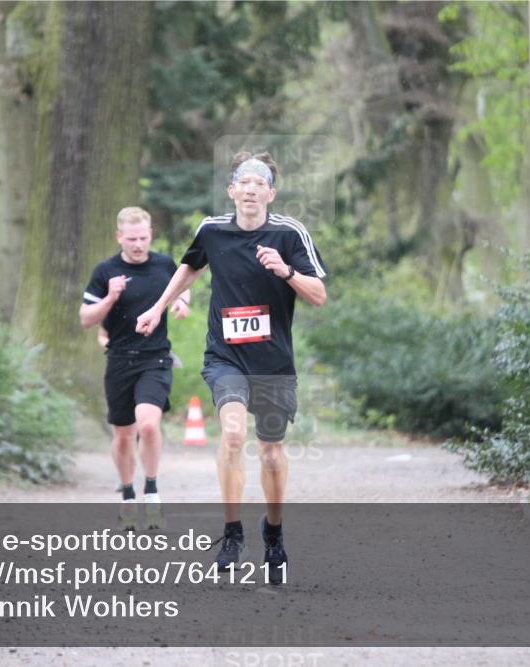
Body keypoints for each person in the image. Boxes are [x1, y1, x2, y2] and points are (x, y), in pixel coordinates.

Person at [136, 152, 327, 584]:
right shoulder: (212, 230)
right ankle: (233, 532)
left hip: (274, 361)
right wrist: (157, 307)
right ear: (233, 191)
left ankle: (274, 534)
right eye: (245, 182)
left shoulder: (289, 234)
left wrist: (286, 271)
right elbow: (189, 268)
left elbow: (318, 294)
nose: (252, 188)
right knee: (234, 433)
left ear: (271, 194)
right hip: (225, 355)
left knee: (272, 453)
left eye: (261, 183)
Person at [80, 206, 190, 531]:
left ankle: (152, 491)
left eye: (143, 238)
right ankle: (128, 495)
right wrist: (110, 298)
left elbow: (182, 288)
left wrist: (182, 303)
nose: (138, 244)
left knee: (150, 425)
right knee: (124, 435)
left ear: (150, 235)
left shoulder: (164, 264)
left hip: (155, 357)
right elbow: (86, 319)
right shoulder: (106, 271)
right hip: (119, 360)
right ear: (119, 238)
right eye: (131, 239)